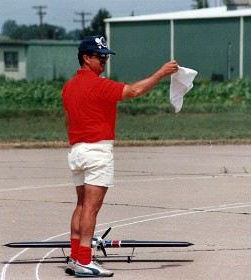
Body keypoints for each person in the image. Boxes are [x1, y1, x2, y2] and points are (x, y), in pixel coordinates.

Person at [62, 35, 178, 277]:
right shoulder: (99, 85)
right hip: (97, 151)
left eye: (106, 57)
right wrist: (161, 73)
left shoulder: (69, 86)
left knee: (81, 205)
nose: (104, 61)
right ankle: (84, 260)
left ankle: (75, 257)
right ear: (86, 58)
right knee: (91, 209)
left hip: (76, 150)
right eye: (99, 56)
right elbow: (135, 90)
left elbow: (67, 120)